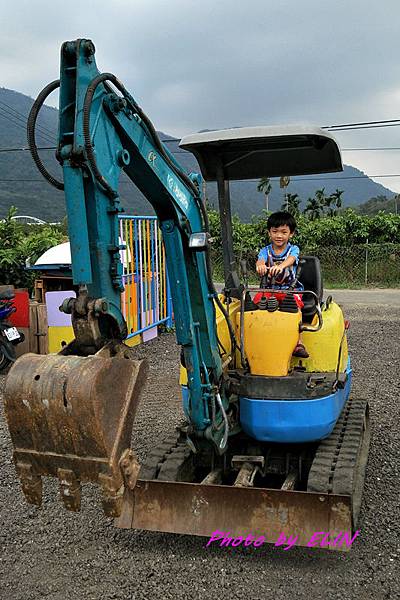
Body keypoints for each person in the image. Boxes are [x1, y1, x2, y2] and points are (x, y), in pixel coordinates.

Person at [255, 211, 309, 358]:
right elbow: (260, 260)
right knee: (255, 301)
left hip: (290, 289)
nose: (279, 235)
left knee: (295, 306)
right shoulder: (265, 251)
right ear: (269, 233)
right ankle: (256, 337)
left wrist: (281, 266)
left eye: (283, 232)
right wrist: (260, 266)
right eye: (275, 231)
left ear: (290, 234)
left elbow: (291, 259)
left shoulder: (293, 249)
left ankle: (299, 343)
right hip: (270, 289)